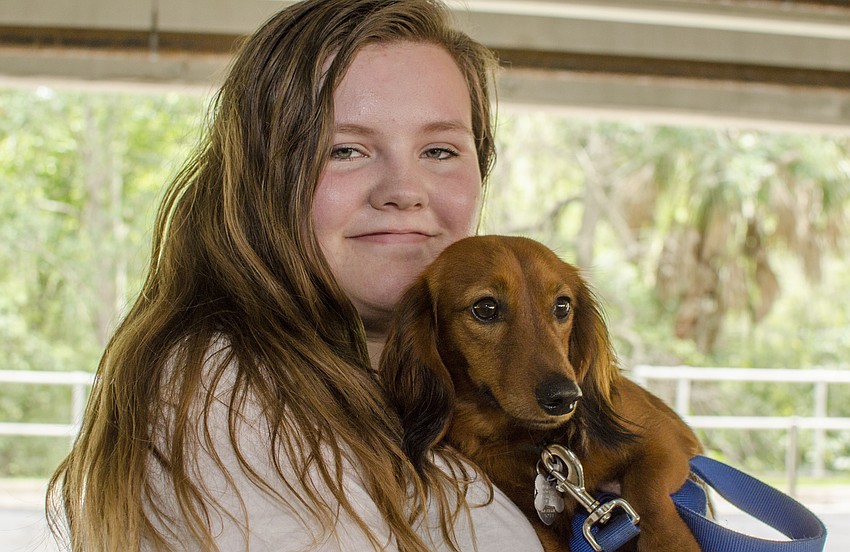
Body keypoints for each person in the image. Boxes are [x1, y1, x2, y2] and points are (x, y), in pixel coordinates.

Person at [46, 0, 545, 550]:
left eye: (439, 149)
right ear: (264, 178)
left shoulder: (431, 388)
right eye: (346, 150)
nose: (404, 190)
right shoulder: (228, 398)